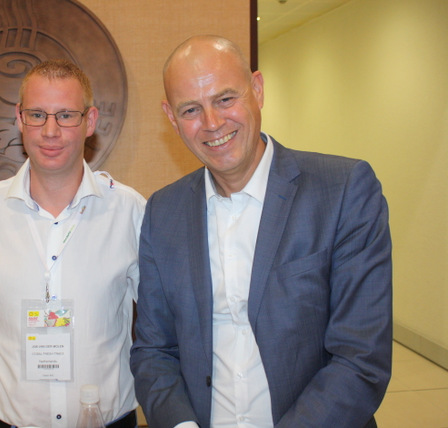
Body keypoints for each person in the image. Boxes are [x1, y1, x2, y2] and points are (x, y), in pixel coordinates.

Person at [130, 35, 392, 428]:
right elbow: (154, 351)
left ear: (257, 89)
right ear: (171, 117)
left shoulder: (343, 191)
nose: (212, 123)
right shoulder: (162, 212)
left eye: (225, 99)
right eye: (191, 109)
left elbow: (360, 358)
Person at [0, 59, 145, 428]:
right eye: (37, 115)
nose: (50, 131)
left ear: (90, 121)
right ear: (19, 119)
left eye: (66, 115)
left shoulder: (128, 210)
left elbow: (164, 330)